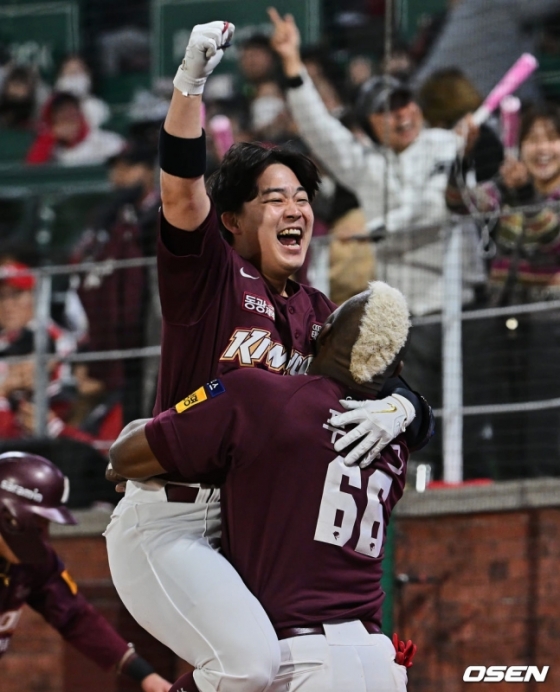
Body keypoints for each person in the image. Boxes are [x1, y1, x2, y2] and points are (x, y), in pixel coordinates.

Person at [104, 20, 432, 692]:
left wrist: (403, 409)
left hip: (246, 524)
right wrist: (190, 82)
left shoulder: (319, 311)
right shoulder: (211, 276)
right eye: (274, 198)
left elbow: (394, 386)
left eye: (303, 199)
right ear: (232, 220)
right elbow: (180, 189)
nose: (295, 209)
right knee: (251, 666)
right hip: (171, 516)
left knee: (269, 668)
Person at [109, 282, 421, 692]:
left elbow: (125, 458)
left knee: (235, 669)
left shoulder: (265, 397)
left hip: (299, 661)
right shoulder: (396, 442)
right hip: (382, 663)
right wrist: (406, 404)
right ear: (396, 373)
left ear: (322, 333)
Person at [267, 8, 463, 316]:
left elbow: (433, 207)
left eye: (405, 102)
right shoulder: (370, 166)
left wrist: (372, 229)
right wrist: (293, 64)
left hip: (458, 305)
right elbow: (320, 129)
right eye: (386, 110)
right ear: (371, 125)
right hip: (399, 315)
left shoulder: (445, 143)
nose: (401, 114)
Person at [445, 103, 560, 477]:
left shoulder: (525, 191)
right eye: (533, 140)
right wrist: (461, 155)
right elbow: (459, 202)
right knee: (506, 426)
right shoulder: (504, 188)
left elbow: (551, 237)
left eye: (552, 138)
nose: (542, 149)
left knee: (545, 427)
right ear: (519, 146)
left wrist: (525, 193)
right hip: (502, 321)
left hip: (550, 326)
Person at [0, 451, 171, 690]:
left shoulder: (34, 563)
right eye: (39, 524)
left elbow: (75, 616)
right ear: (10, 516)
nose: (44, 536)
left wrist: (145, 675)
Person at [26, 91, 124, 166]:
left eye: (71, 110)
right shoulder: (50, 148)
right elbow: (32, 172)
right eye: (61, 112)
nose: (68, 115)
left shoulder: (104, 141)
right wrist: (49, 138)